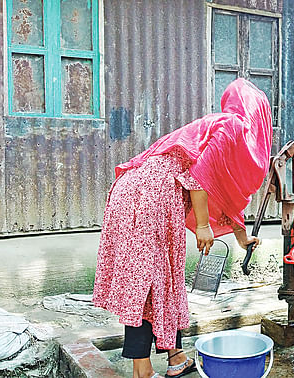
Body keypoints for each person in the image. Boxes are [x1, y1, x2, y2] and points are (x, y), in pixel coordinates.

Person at [93, 78, 272, 378]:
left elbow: (221, 187)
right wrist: (203, 225)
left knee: (162, 278)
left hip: (135, 189)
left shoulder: (220, 128)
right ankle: (142, 369)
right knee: (149, 282)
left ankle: (175, 357)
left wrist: (242, 237)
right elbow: (200, 177)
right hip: (153, 193)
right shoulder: (232, 127)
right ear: (259, 114)